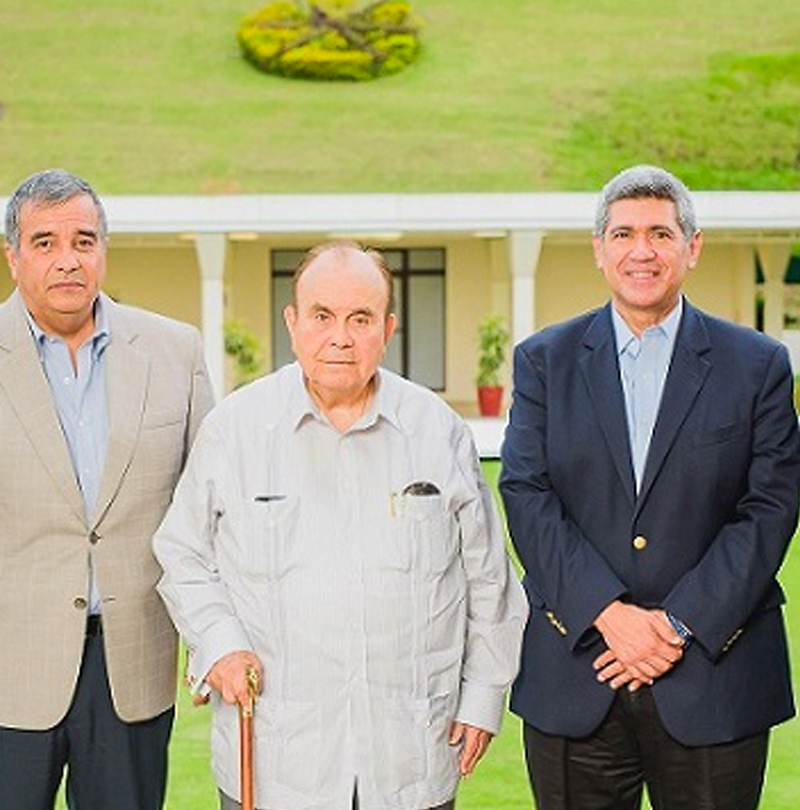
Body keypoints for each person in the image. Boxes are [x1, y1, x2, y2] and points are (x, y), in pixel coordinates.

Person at [154, 241, 527, 810]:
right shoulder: (235, 429)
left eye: (361, 318)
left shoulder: (437, 431)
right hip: (278, 762)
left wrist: (482, 697)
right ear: (293, 323)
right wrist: (220, 644)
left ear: (388, 328)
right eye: (322, 316)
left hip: (410, 756)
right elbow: (182, 555)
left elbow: (488, 578)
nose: (341, 337)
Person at [0, 168, 213, 809]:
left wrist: (213, 636)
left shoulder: (176, 352)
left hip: (133, 667)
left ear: (104, 250)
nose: (67, 259)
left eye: (83, 241)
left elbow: (207, 513)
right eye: (44, 242)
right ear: (12, 256)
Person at [500, 165, 800, 810]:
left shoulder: (757, 365)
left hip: (715, 678)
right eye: (624, 234)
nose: (642, 251)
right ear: (599, 249)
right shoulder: (544, 362)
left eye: (661, 234)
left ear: (693, 248)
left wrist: (675, 625)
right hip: (576, 672)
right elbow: (527, 495)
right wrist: (609, 615)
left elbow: (769, 509)